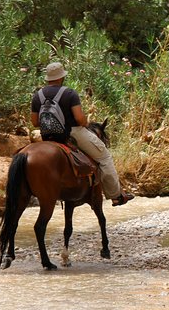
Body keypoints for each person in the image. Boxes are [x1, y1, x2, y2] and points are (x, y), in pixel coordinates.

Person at [31, 61, 134, 206]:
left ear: (48, 78)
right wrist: (85, 123)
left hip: (47, 135)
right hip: (72, 133)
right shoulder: (69, 93)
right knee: (104, 156)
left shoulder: (38, 96)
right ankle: (116, 195)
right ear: (61, 78)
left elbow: (35, 122)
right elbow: (79, 119)